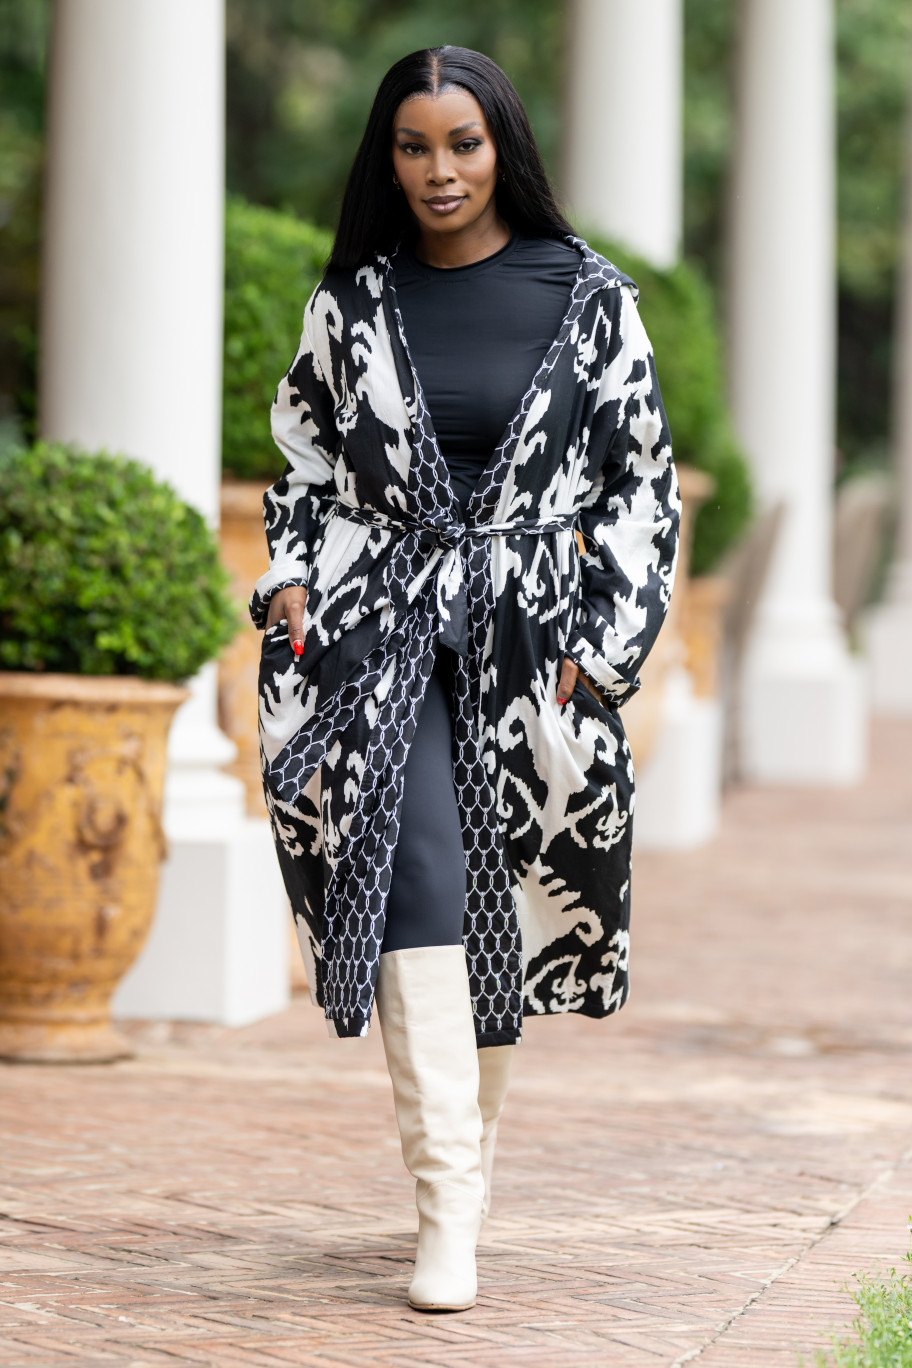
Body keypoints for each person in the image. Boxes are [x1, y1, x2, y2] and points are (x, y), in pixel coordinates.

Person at [251, 46, 680, 1313]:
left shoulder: (589, 299)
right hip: (374, 642)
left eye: (463, 144)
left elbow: (641, 486)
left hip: (533, 651)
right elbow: (303, 463)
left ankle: (469, 1175)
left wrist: (604, 651)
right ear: (386, 160)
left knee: (506, 912)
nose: (439, 171)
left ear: (503, 149)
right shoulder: (354, 302)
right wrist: (290, 579)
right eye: (413, 147)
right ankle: (445, 1210)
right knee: (415, 890)